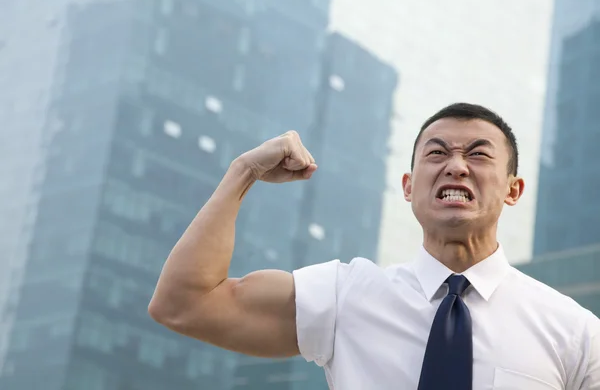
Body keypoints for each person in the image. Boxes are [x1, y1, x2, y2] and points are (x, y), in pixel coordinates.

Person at [148, 103, 600, 389]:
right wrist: (243, 171)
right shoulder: (345, 296)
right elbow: (185, 305)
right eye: (436, 153)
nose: (456, 167)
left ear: (513, 189)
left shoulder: (575, 333)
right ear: (408, 186)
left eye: (479, 155)